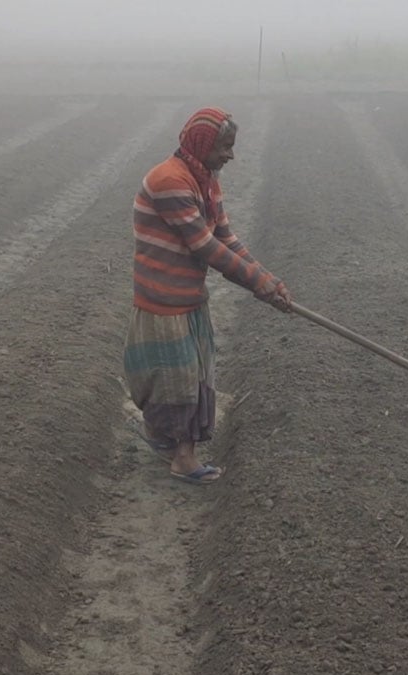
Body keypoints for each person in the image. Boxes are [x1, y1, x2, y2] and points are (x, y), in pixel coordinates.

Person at [124, 107, 292, 484]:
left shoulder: (206, 179)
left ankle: (167, 443)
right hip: (163, 300)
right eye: (224, 147)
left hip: (189, 296)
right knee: (177, 379)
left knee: (195, 375)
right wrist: (257, 285)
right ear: (202, 145)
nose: (230, 155)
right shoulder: (169, 181)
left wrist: (269, 279)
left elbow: (226, 238)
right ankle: (183, 458)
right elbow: (204, 247)